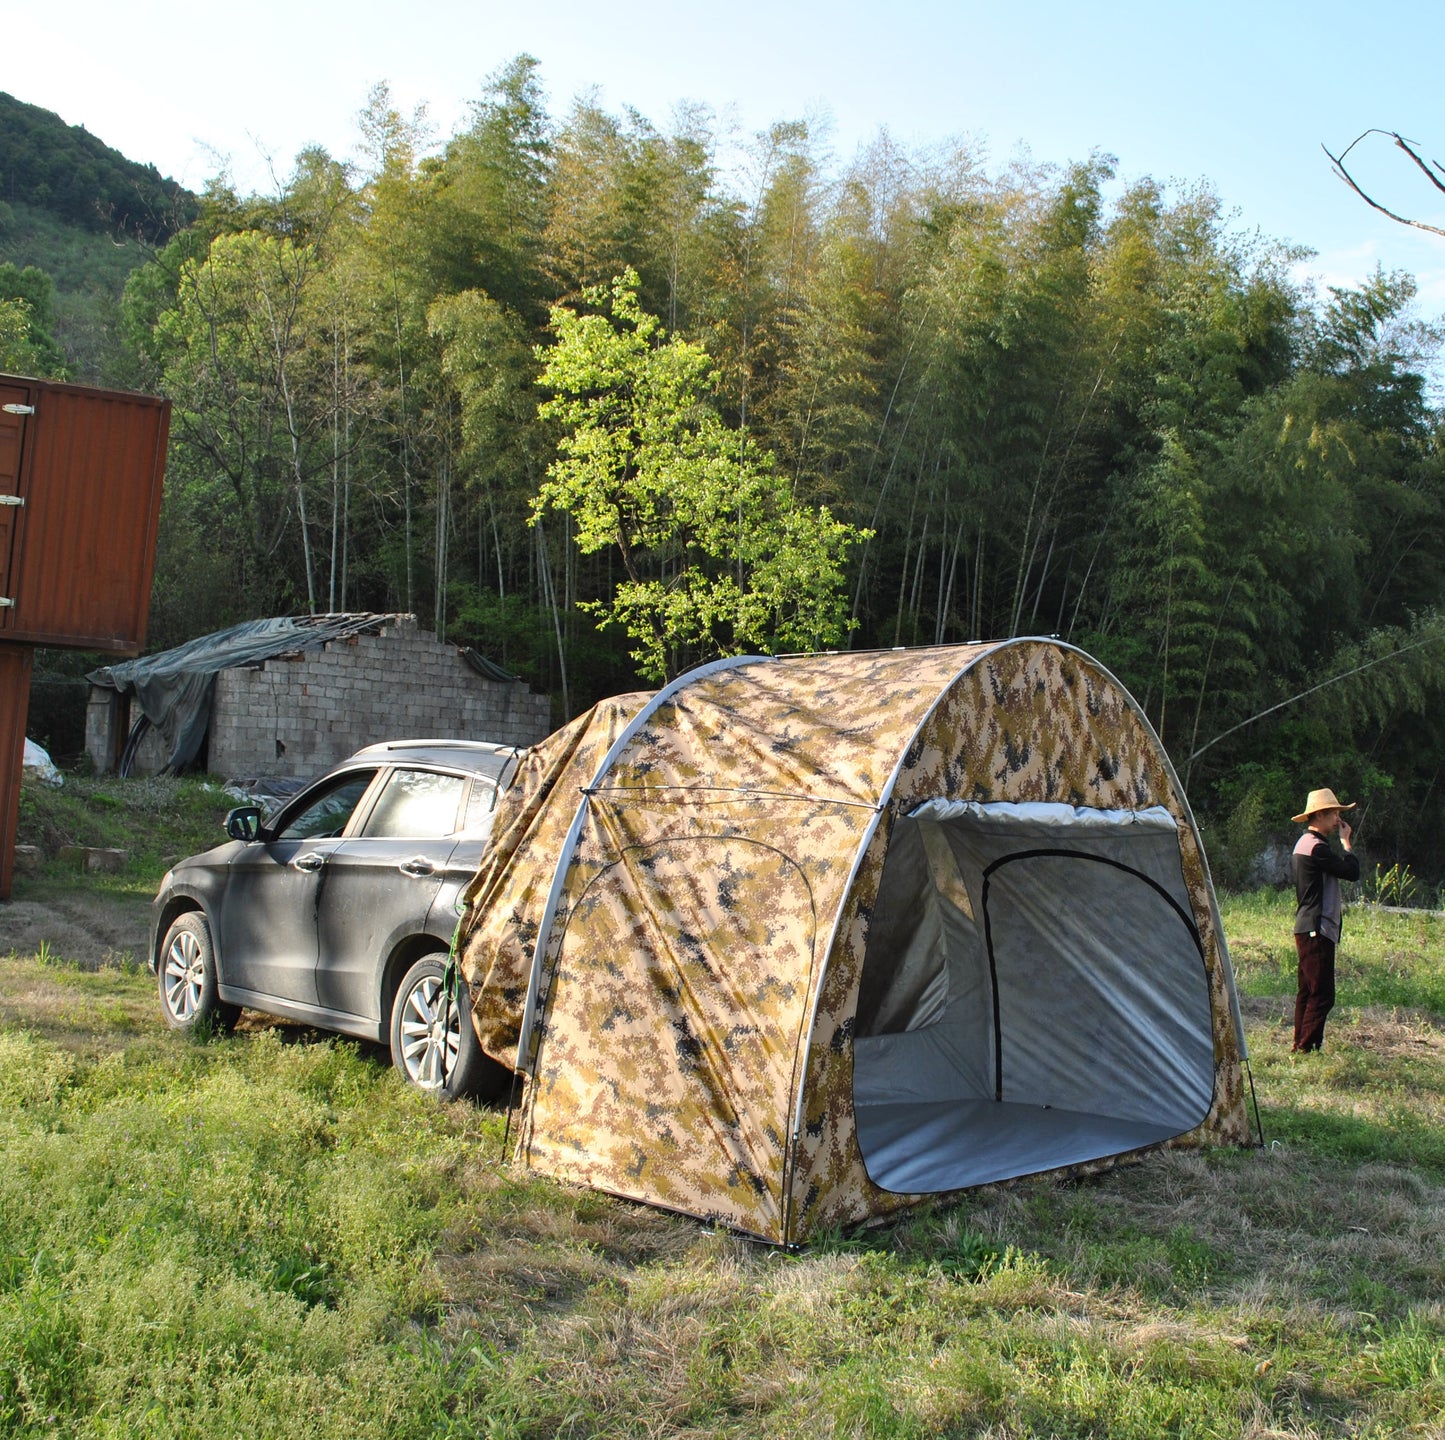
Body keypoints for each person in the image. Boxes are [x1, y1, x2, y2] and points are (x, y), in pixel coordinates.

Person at [1290, 787, 1361, 1052]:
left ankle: (1302, 1044)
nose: (1338, 819)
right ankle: (1306, 1048)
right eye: (1334, 813)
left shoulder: (1304, 845)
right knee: (1322, 995)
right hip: (1316, 927)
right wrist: (1347, 843)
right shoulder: (1317, 848)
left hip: (1306, 925)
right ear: (1319, 815)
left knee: (1308, 991)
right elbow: (1351, 871)